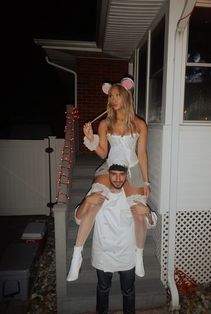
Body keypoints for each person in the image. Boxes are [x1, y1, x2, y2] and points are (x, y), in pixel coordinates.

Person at [67, 77, 157, 282]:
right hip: (111, 167)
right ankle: (77, 256)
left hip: (132, 169)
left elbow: (142, 154)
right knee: (95, 201)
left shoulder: (139, 124)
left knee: (138, 212)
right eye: (111, 96)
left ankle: (139, 254)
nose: (114, 98)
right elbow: (102, 153)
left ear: (126, 96)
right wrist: (90, 138)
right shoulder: (104, 123)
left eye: (117, 94)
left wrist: (146, 182)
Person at [73, 163, 150, 313]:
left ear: (127, 175)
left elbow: (150, 222)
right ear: (107, 174)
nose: (117, 178)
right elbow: (78, 219)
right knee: (103, 289)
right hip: (103, 253)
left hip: (127, 254)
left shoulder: (132, 195)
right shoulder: (99, 191)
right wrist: (86, 200)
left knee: (128, 291)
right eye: (113, 174)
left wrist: (146, 210)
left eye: (122, 174)